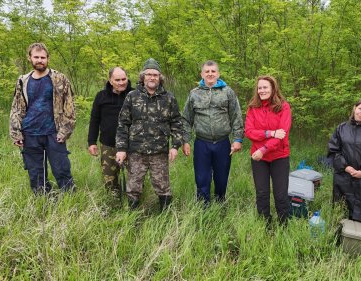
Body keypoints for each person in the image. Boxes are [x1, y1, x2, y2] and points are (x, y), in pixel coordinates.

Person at [115, 58, 183, 210]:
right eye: (149, 74)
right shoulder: (132, 96)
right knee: (133, 187)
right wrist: (121, 149)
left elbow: (177, 123)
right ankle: (133, 217)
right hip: (136, 151)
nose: (152, 77)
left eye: (155, 75)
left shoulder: (169, 98)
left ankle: (165, 217)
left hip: (159, 151)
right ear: (143, 77)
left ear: (160, 77)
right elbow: (123, 124)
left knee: (163, 186)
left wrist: (175, 146)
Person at [9, 42, 76, 194]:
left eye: (43, 57)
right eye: (36, 57)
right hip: (30, 133)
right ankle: (43, 202)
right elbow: (16, 108)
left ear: (48, 58)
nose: (40, 60)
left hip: (54, 133)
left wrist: (65, 131)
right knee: (36, 173)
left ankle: (70, 199)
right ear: (30, 58)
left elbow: (70, 107)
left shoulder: (59, 79)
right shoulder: (23, 81)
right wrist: (16, 132)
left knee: (62, 169)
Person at [182, 60, 244, 204]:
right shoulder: (194, 94)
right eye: (207, 72)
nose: (210, 74)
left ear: (218, 74)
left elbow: (236, 115)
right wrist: (185, 140)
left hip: (222, 143)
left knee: (221, 178)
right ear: (202, 74)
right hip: (201, 143)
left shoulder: (227, 92)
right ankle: (203, 207)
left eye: (213, 71)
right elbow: (186, 119)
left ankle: (220, 203)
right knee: (202, 178)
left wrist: (237, 139)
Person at [245, 76, 292, 224]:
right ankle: (264, 224)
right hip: (259, 158)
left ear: (273, 89)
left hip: (279, 156)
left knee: (280, 195)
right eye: (260, 88)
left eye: (265, 87)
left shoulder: (284, 106)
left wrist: (264, 148)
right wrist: (269, 133)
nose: (262, 90)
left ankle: (283, 225)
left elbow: (282, 134)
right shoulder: (253, 107)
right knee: (262, 193)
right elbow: (249, 132)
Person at [327, 98, 361, 224]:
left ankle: (359, 242)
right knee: (341, 214)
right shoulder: (341, 128)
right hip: (343, 176)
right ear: (354, 108)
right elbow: (334, 150)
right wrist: (346, 167)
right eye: (360, 108)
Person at [87, 67, 133, 198]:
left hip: (132, 145)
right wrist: (91, 142)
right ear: (110, 80)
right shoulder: (101, 96)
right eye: (117, 80)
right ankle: (114, 205)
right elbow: (95, 119)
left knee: (134, 180)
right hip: (108, 144)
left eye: (123, 79)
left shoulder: (134, 95)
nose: (121, 82)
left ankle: (133, 205)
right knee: (110, 179)